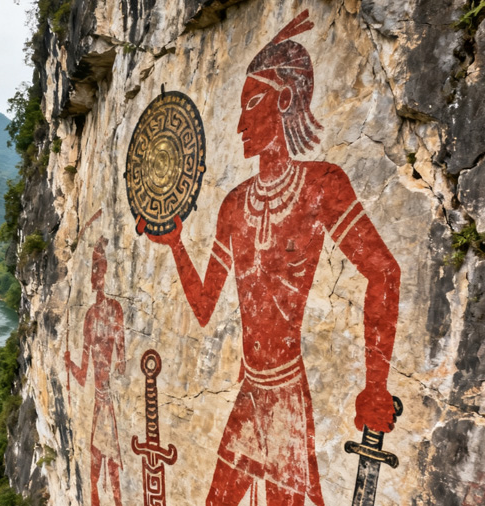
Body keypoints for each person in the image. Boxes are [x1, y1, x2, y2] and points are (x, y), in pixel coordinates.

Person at [140, 10, 400, 506]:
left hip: (286, 394)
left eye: (251, 103)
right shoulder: (233, 204)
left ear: (283, 100)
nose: (240, 123)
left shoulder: (322, 185)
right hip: (250, 393)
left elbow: (383, 271)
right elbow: (204, 306)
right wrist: (175, 244)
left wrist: (376, 385)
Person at [65, 237, 126, 506]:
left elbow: (122, 363)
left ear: (105, 271)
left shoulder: (114, 309)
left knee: (105, 457)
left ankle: (112, 500)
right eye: (92, 269)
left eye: (98, 268)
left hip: (109, 399)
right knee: (98, 456)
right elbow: (83, 375)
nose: (95, 275)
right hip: (100, 398)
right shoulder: (90, 315)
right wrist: (69, 364)